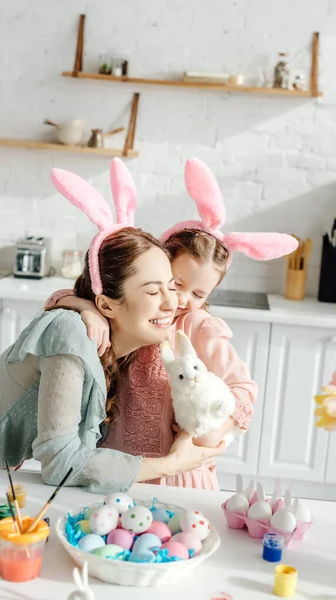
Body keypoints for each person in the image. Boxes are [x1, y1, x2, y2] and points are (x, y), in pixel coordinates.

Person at [0, 159, 227, 494]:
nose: (174, 303)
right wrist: (172, 464)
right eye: (155, 291)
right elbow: (61, 462)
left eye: (173, 286)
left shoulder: (120, 342)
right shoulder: (71, 333)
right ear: (107, 304)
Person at [44, 158, 298, 489]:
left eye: (199, 293)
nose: (181, 299)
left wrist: (210, 430)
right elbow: (57, 298)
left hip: (178, 475)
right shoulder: (137, 306)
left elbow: (244, 389)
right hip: (117, 463)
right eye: (177, 284)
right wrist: (85, 309)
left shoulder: (199, 326)